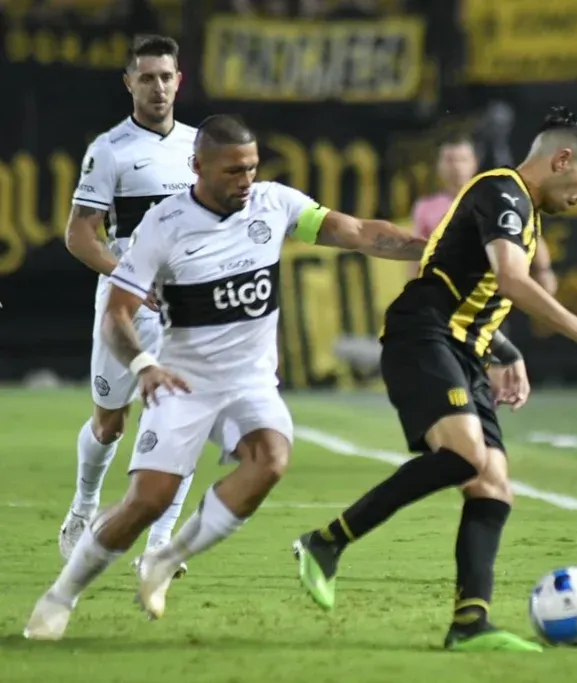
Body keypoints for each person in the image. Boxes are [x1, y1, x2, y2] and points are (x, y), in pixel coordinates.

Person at [23, 115, 427, 641]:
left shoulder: (275, 204)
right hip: (184, 381)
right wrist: (144, 365)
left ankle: (166, 559)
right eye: (234, 170)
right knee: (146, 502)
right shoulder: (163, 226)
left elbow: (359, 233)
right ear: (198, 167)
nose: (246, 180)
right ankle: (61, 596)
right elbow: (117, 313)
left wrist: (430, 247)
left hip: (250, 383)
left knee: (271, 458)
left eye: (252, 167)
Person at [292, 106, 577, 652]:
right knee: (464, 456)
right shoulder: (502, 192)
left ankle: (470, 623)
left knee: (493, 483)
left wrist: (505, 348)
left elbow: (475, 289)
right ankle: (325, 542)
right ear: (562, 160)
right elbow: (510, 280)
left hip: (466, 350)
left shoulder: (526, 213)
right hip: (423, 335)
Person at [60, 34, 198, 577]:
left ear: (179, 81)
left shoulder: (201, 148)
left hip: (187, 305)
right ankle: (84, 506)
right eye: (147, 78)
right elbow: (79, 234)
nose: (157, 87)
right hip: (127, 305)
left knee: (181, 418)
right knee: (109, 424)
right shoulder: (110, 149)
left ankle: (160, 547)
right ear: (129, 83)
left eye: (165, 77)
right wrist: (130, 278)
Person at [411, 133, 558, 294]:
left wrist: (544, 272)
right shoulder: (424, 207)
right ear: (438, 164)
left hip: (494, 294)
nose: (456, 166)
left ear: (474, 162)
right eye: (449, 160)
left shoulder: (498, 198)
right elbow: (415, 256)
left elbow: (532, 237)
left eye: (462, 159)